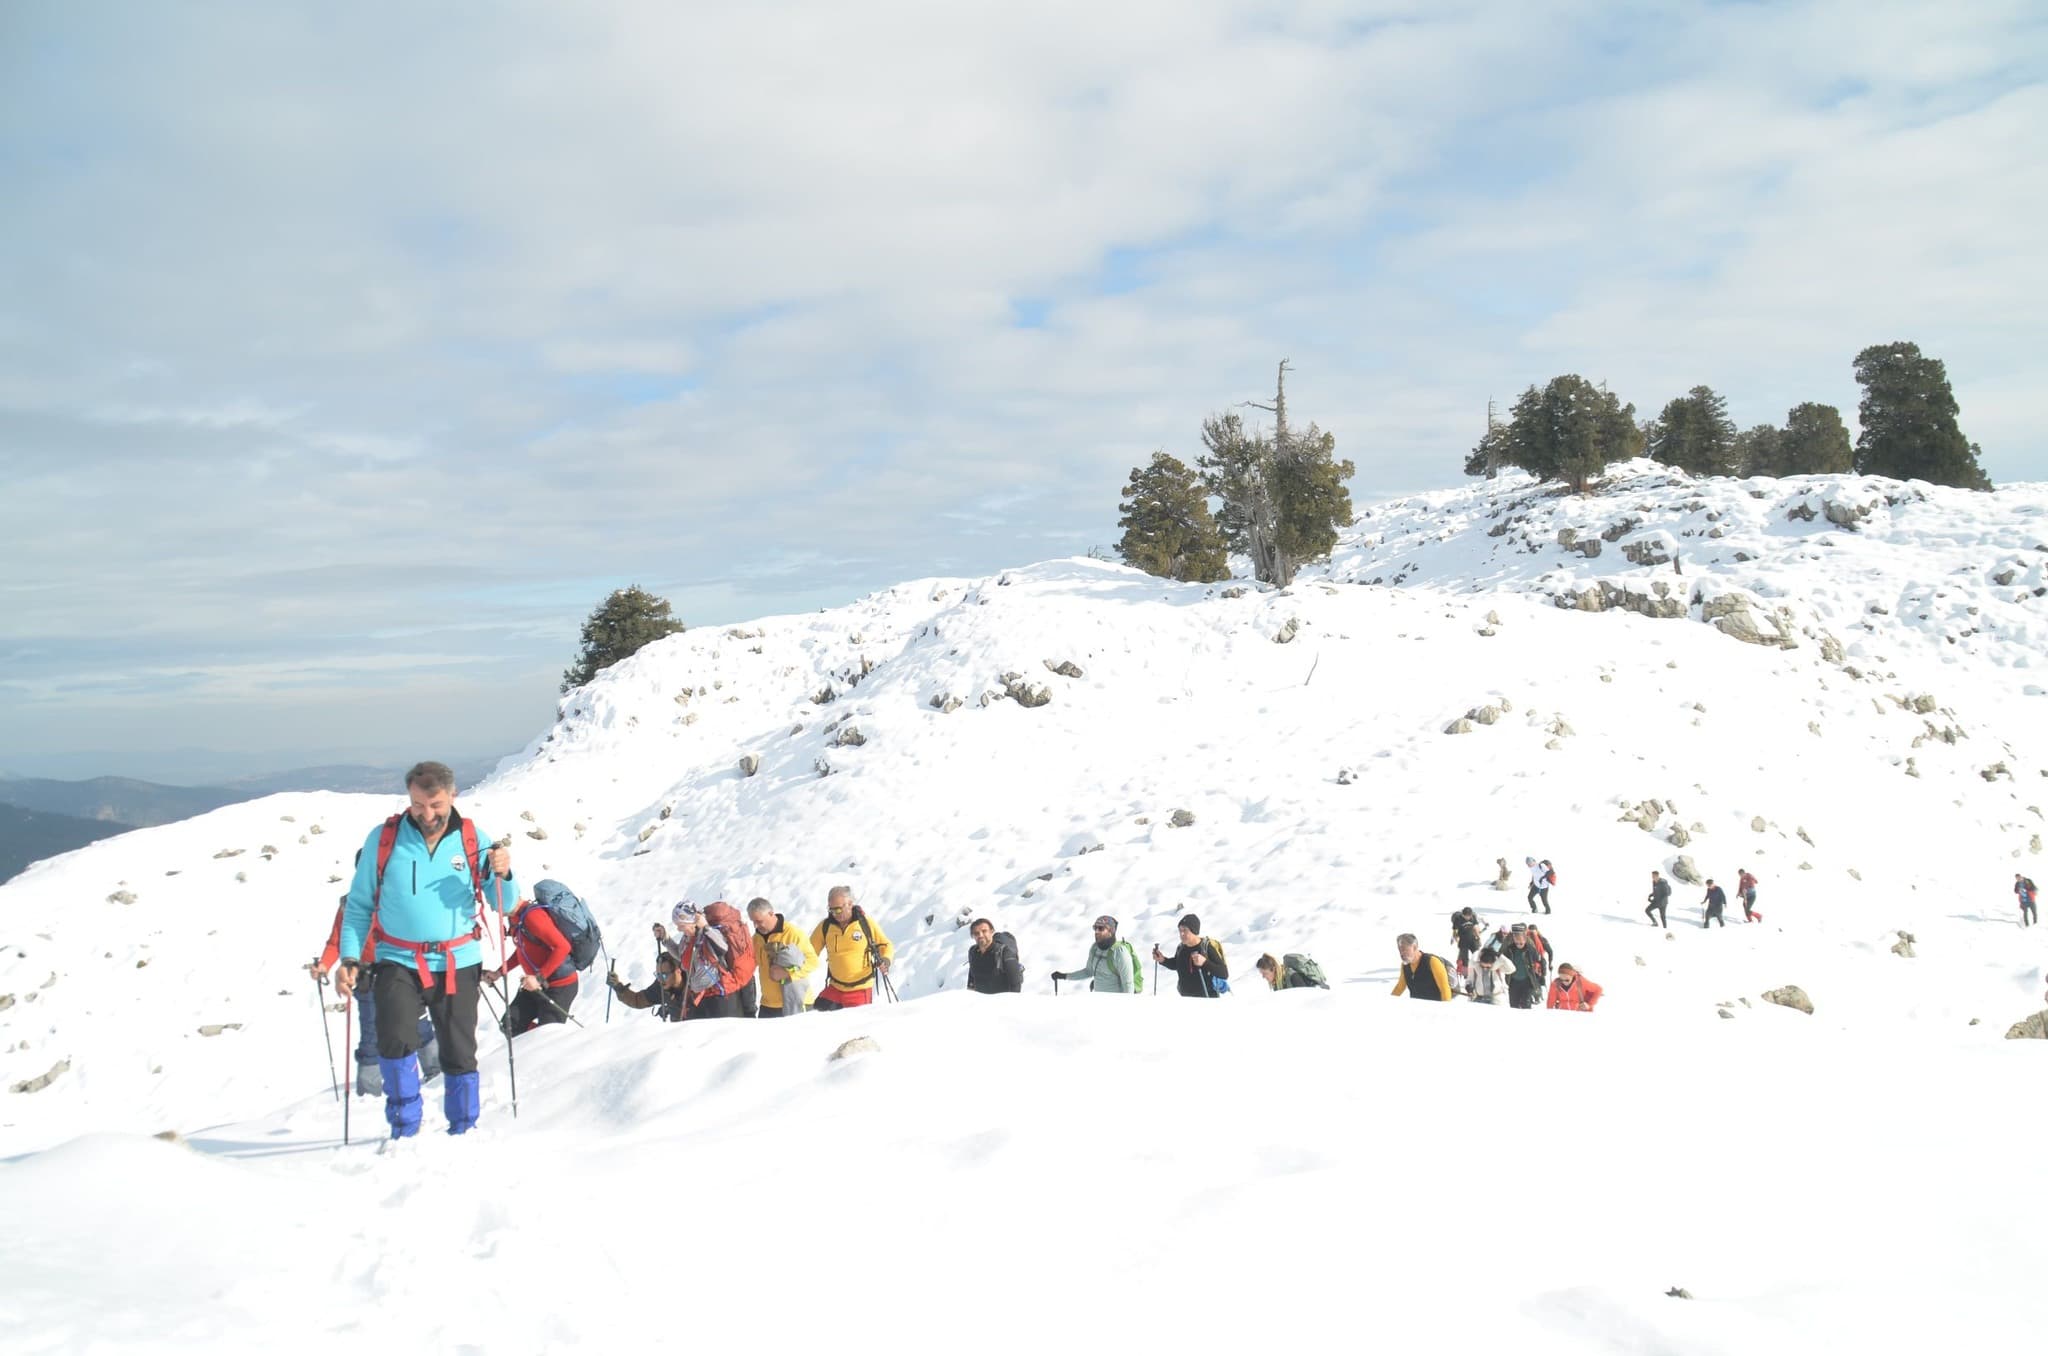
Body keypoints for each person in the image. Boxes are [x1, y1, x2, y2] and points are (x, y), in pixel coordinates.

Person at [334, 761, 515, 1139]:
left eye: (435, 805)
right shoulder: (384, 839)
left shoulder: (473, 839)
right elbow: (359, 906)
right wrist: (350, 957)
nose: (427, 814)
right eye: (418, 804)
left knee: (459, 1050)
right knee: (395, 1041)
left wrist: (504, 873)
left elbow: (506, 903)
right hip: (397, 958)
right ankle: (404, 1130)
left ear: (452, 796)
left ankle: (463, 1129)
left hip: (457, 959)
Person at [307, 894, 438, 1096]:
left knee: (417, 1023)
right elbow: (336, 942)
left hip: (401, 972)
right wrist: (324, 964)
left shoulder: (396, 896)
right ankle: (369, 1093)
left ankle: (437, 1074)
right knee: (372, 1033)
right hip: (367, 978)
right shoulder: (349, 906)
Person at [486, 894, 579, 1037]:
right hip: (534, 984)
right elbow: (523, 949)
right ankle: (537, 1043)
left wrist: (539, 978)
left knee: (547, 1036)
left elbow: (563, 947)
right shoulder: (515, 917)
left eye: (494, 904)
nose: (493, 909)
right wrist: (499, 972)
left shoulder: (533, 916)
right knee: (510, 1026)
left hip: (559, 986)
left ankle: (570, 1044)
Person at [810, 885, 893, 1010]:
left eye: (838, 909)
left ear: (850, 904)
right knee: (817, 1013)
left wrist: (885, 960)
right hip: (835, 988)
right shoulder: (825, 926)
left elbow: (885, 945)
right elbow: (809, 951)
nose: (835, 914)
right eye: (831, 910)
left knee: (854, 1022)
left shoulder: (865, 923)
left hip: (860, 990)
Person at [670, 901, 756, 1019]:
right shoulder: (688, 938)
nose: (679, 929)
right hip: (702, 996)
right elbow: (683, 958)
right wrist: (665, 939)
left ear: (692, 922)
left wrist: (705, 927)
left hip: (721, 997)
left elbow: (722, 948)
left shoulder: (710, 932)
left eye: (681, 925)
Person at [748, 897, 818, 1015]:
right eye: (753, 921)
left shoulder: (793, 933)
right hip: (768, 1005)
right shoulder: (756, 939)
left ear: (771, 914)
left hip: (796, 1003)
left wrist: (788, 974)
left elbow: (813, 962)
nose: (755, 926)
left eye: (759, 921)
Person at [1052, 915, 1140, 993]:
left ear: (1111, 931)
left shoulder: (1120, 952)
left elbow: (1128, 985)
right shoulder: (1095, 948)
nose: (1096, 931)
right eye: (1095, 928)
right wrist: (1064, 976)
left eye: (1101, 928)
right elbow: (1088, 972)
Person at [1152, 913, 1229, 997]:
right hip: (1186, 999)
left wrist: (1205, 962)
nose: (1181, 934)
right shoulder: (1181, 948)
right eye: (1180, 930)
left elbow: (1224, 973)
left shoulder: (1206, 947)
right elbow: (1177, 964)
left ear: (1194, 930)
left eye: (1185, 930)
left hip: (1207, 999)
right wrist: (1163, 960)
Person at [606, 951, 689, 1022]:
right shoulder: (660, 987)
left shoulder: (694, 981)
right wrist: (618, 987)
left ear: (678, 971)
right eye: (658, 975)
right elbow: (637, 1000)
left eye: (664, 975)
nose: (660, 980)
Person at [965, 918, 1024, 994]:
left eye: (984, 931)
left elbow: (1015, 985)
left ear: (991, 931)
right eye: (976, 933)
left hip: (1001, 1000)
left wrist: (1010, 1001)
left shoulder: (1004, 952)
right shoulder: (973, 952)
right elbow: (972, 976)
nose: (980, 935)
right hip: (979, 1000)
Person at [1392, 933, 1453, 1000]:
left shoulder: (1432, 962)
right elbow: (1400, 987)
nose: (1401, 953)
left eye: (1404, 949)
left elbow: (1445, 990)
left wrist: (1444, 1006)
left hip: (1436, 1005)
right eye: (1400, 950)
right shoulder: (1405, 966)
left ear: (1414, 947)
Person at [1501, 923, 1547, 1010]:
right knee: (1514, 1005)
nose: (1519, 945)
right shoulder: (1510, 949)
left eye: (1521, 943)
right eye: (1517, 943)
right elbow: (1501, 957)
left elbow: (1541, 959)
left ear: (1525, 940)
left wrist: (1542, 974)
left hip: (1527, 980)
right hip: (1513, 981)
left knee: (1526, 1005)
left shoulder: (1530, 949)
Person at [1466, 941, 1514, 1005]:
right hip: (1479, 998)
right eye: (1482, 966)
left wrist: (1501, 956)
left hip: (1496, 999)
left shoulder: (1498, 966)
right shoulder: (1475, 966)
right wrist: (1468, 986)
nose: (1485, 969)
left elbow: (1511, 969)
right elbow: (1469, 980)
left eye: (1488, 967)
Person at [1255, 952, 1329, 991]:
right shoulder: (1277, 983)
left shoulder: (1293, 976)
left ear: (1273, 969)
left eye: (1265, 973)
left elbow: (1305, 998)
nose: (1263, 977)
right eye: (1262, 974)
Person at [1451, 907, 1483, 974]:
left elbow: (1476, 927)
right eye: (1466, 916)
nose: (1468, 917)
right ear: (1463, 914)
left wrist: (1479, 938)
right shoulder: (1458, 919)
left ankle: (1479, 971)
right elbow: (1455, 931)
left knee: (1477, 955)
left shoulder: (1473, 917)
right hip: (1463, 940)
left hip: (1472, 939)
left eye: (1469, 916)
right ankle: (1465, 973)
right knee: (1465, 959)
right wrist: (1456, 939)